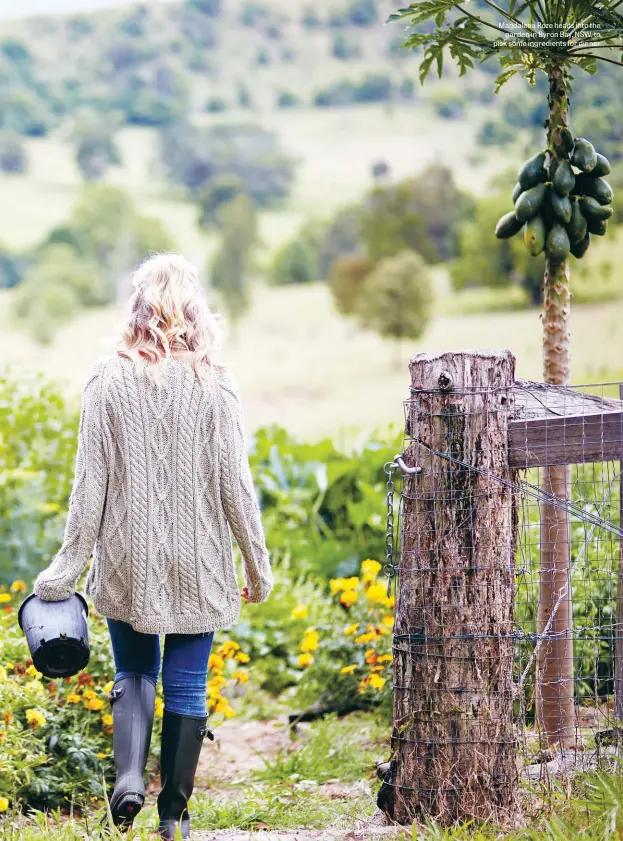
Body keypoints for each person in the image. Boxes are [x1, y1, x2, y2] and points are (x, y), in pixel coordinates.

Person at [33, 253, 273, 840]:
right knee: (188, 684)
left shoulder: (106, 379)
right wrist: (257, 565)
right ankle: (175, 816)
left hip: (126, 560)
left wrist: (64, 572)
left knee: (134, 673)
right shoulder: (216, 384)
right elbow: (235, 485)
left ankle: (128, 783)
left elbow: (91, 485)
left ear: (135, 311)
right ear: (196, 313)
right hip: (201, 563)